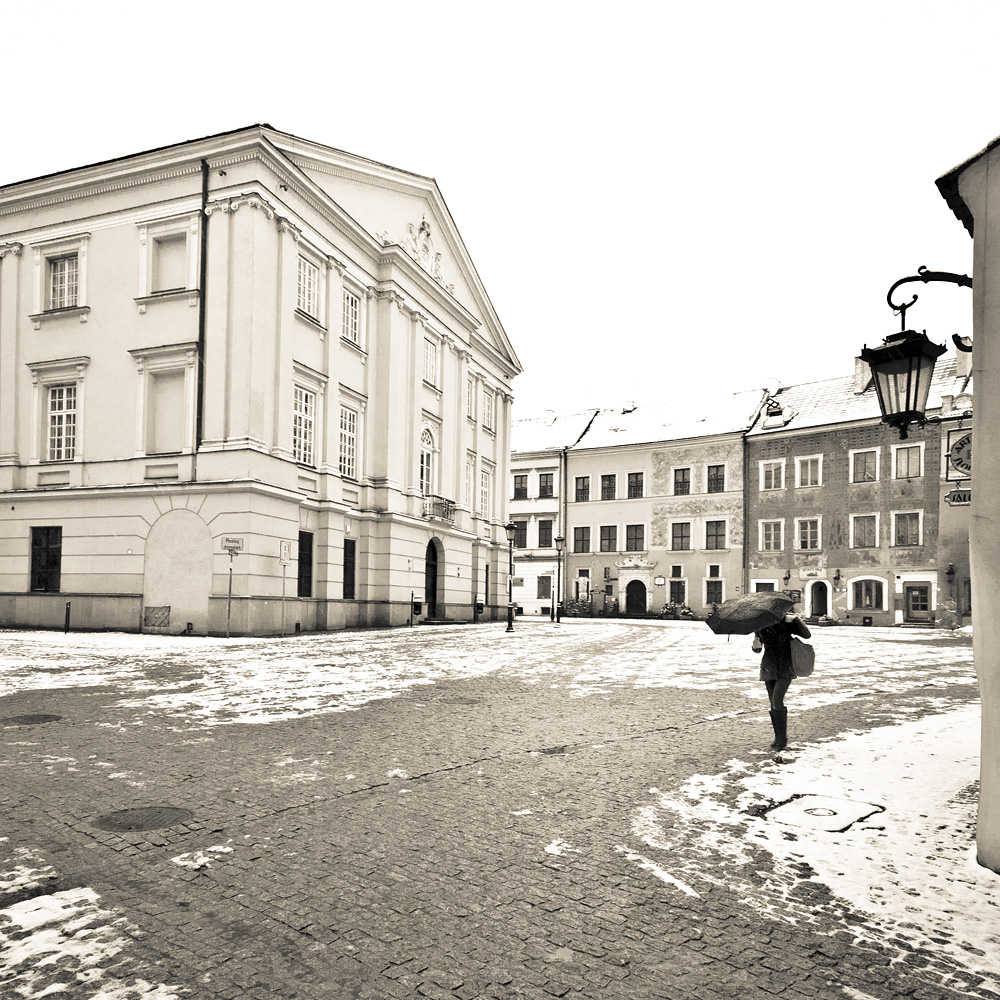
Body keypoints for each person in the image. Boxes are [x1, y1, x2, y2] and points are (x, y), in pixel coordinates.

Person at [751, 611, 811, 751]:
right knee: (773, 701)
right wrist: (755, 645)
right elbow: (758, 650)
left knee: (777, 700)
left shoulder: (787, 622)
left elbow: (807, 635)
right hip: (768, 667)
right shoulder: (760, 625)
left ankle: (782, 739)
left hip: (785, 665)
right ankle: (778, 737)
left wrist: (796, 620)